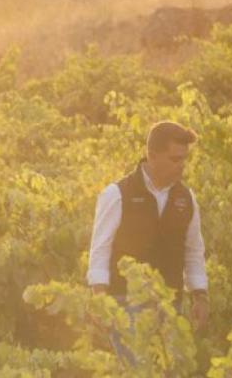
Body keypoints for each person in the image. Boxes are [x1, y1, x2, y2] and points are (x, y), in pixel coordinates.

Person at [87, 121, 209, 362]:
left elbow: (193, 251)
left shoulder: (186, 197)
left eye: (184, 159)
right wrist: (100, 298)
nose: (182, 166)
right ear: (151, 156)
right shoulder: (117, 194)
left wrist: (200, 296)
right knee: (137, 369)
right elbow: (100, 250)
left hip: (170, 305)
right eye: (175, 159)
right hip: (125, 303)